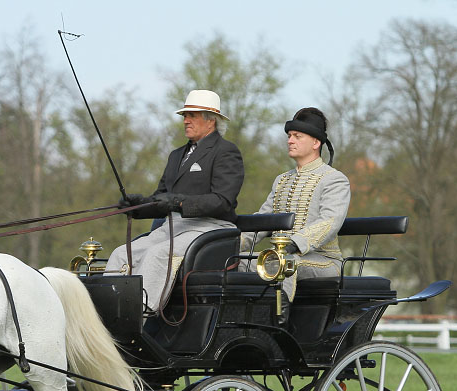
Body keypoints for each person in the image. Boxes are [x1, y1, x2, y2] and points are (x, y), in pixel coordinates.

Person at [105, 89, 244, 313]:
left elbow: (222, 201)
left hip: (210, 227)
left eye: (192, 115)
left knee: (156, 254)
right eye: (184, 116)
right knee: (120, 254)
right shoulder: (176, 156)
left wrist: (179, 202)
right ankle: (111, 311)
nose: (186, 120)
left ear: (211, 120)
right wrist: (137, 206)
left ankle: (141, 313)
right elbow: (162, 198)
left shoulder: (226, 152)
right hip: (173, 227)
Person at [241, 107, 350, 304]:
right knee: (235, 261)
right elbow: (262, 220)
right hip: (279, 256)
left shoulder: (334, 179)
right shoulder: (281, 180)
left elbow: (330, 221)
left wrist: (294, 245)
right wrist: (232, 243)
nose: (290, 141)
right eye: (290, 136)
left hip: (323, 261)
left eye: (297, 136)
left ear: (316, 142)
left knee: (285, 263)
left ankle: (278, 322)